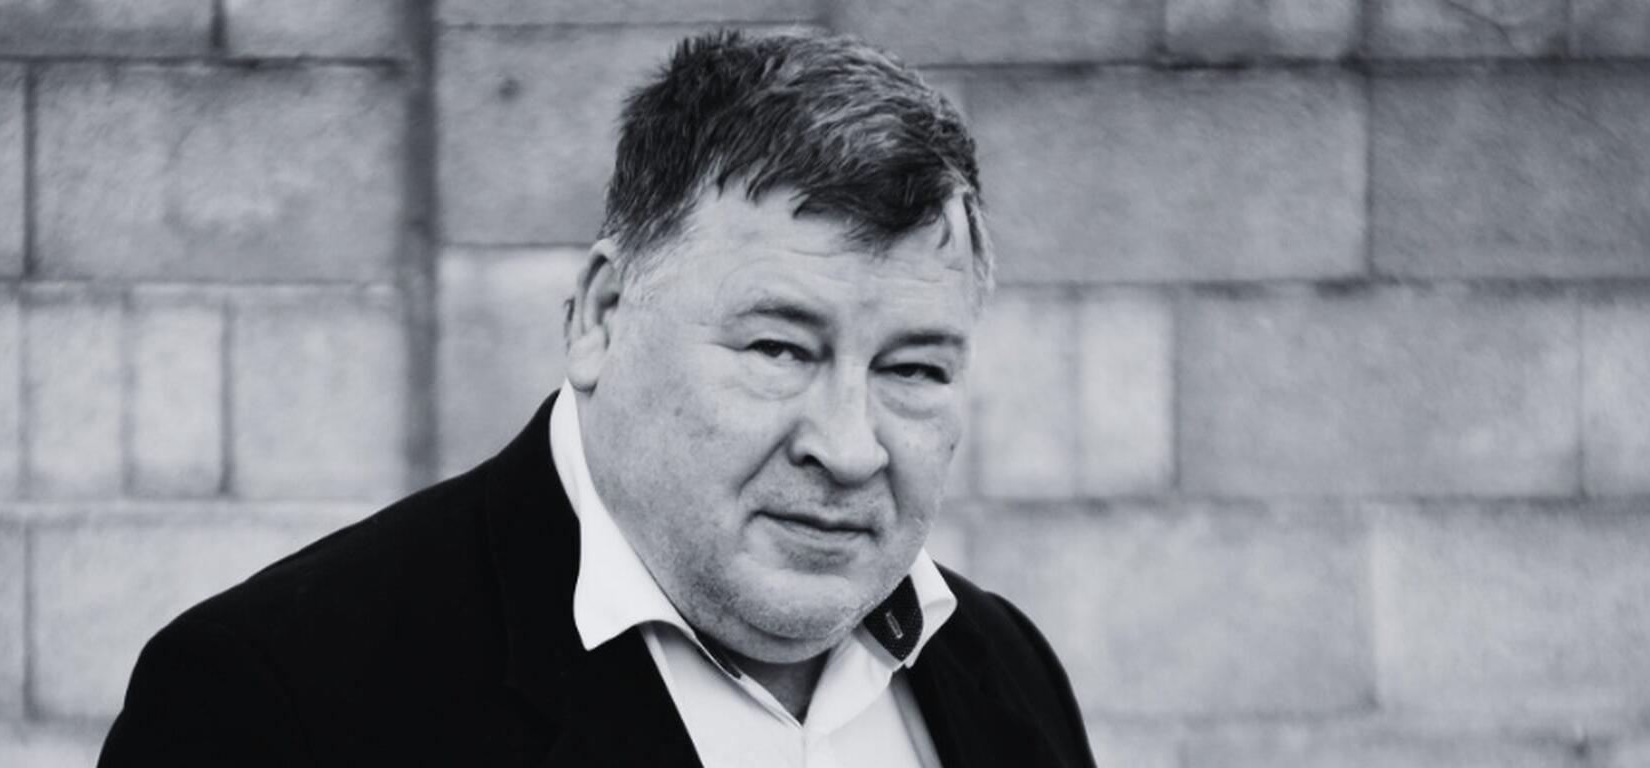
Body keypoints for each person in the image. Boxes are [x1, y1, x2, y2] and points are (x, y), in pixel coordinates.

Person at [100, 30, 1094, 767]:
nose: (848, 448)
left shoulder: (1007, 671)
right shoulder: (275, 701)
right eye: (780, 348)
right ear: (602, 318)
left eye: (913, 369)